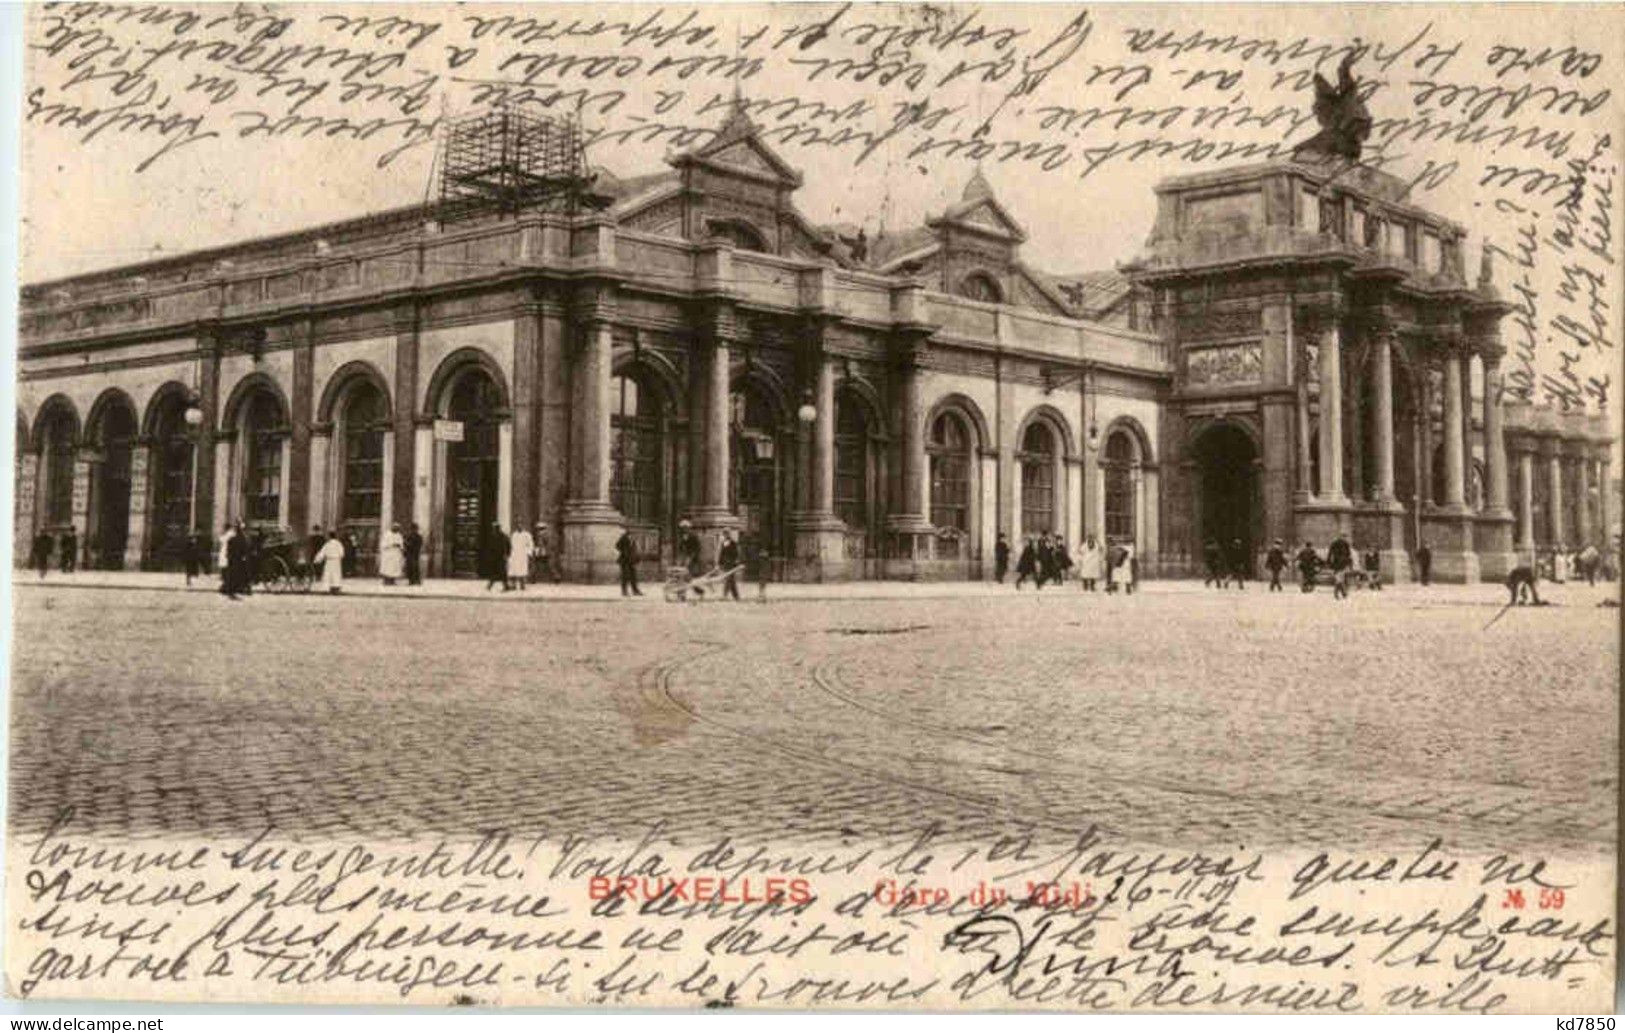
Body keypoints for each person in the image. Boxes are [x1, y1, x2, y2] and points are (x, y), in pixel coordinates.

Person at [678, 520, 705, 598]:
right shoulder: (682, 536)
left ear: (688, 528)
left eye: (685, 528)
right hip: (686, 558)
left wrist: (691, 558)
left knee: (690, 578)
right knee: (683, 576)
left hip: (693, 560)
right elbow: (680, 547)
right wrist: (681, 558)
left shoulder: (693, 536)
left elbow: (697, 548)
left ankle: (698, 591)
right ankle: (682, 593)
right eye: (682, 528)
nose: (684, 529)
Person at [480, 521, 509, 591]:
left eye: (495, 528)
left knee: (502, 572)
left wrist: (507, 554)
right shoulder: (492, 536)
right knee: (495, 572)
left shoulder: (503, 537)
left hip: (501, 557)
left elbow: (508, 546)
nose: (494, 529)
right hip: (494, 557)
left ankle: (503, 586)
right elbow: (489, 547)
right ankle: (491, 585)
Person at [226, 521, 251, 600]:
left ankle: (234, 591)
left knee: (235, 575)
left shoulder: (234, 539)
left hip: (236, 559)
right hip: (237, 559)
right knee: (235, 575)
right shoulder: (241, 539)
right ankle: (233, 591)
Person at [615, 527, 642, 597]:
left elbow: (635, 550)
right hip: (624, 560)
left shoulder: (634, 540)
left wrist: (636, 559)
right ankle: (624, 591)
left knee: (633, 576)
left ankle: (635, 590)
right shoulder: (624, 538)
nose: (633, 534)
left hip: (631, 560)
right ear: (629, 532)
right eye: (632, 532)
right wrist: (624, 552)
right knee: (625, 576)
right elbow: (617, 545)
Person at [508, 523, 534, 591]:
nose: (519, 527)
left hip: (523, 554)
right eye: (518, 526)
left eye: (521, 525)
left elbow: (530, 544)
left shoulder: (527, 535)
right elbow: (511, 545)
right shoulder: (514, 535)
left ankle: (522, 584)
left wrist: (528, 553)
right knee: (513, 569)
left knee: (522, 569)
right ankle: (513, 585)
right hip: (515, 554)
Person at [1327, 532, 1353, 600]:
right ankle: (1341, 593)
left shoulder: (1335, 543)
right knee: (1340, 578)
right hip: (1341, 563)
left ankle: (1341, 593)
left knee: (1339, 578)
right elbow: (1348, 554)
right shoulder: (1345, 544)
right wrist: (1349, 563)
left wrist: (1329, 562)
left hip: (1337, 563)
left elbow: (1330, 553)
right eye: (1344, 537)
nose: (1345, 538)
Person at [718, 530, 741, 601]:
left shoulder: (733, 543)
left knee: (728, 579)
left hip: (731, 563)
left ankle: (725, 595)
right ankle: (736, 596)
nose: (725, 535)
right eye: (724, 534)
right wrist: (720, 562)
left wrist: (735, 561)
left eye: (726, 533)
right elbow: (721, 553)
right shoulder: (723, 543)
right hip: (725, 563)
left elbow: (736, 553)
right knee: (731, 581)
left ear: (729, 534)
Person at [217, 523, 236, 596]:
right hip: (226, 555)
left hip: (226, 555)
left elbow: (221, 539)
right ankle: (226, 586)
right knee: (226, 572)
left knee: (226, 572)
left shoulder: (229, 534)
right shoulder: (231, 534)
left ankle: (226, 587)